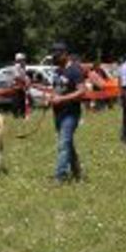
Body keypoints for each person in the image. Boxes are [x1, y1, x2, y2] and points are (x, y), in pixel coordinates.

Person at [48, 43, 85, 183]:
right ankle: (77, 172)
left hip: (71, 114)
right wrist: (50, 98)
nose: (54, 59)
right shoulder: (58, 71)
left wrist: (61, 99)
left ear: (65, 54)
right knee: (67, 144)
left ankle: (60, 177)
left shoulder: (75, 70)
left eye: (57, 56)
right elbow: (55, 89)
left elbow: (82, 91)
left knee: (63, 144)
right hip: (58, 113)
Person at [12, 53, 30, 119]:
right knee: (17, 101)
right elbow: (17, 77)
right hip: (17, 86)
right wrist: (24, 81)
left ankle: (23, 114)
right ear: (19, 60)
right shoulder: (16, 67)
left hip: (22, 86)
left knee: (22, 101)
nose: (24, 61)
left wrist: (27, 80)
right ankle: (16, 115)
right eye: (23, 59)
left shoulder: (23, 67)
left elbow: (24, 76)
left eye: (24, 60)